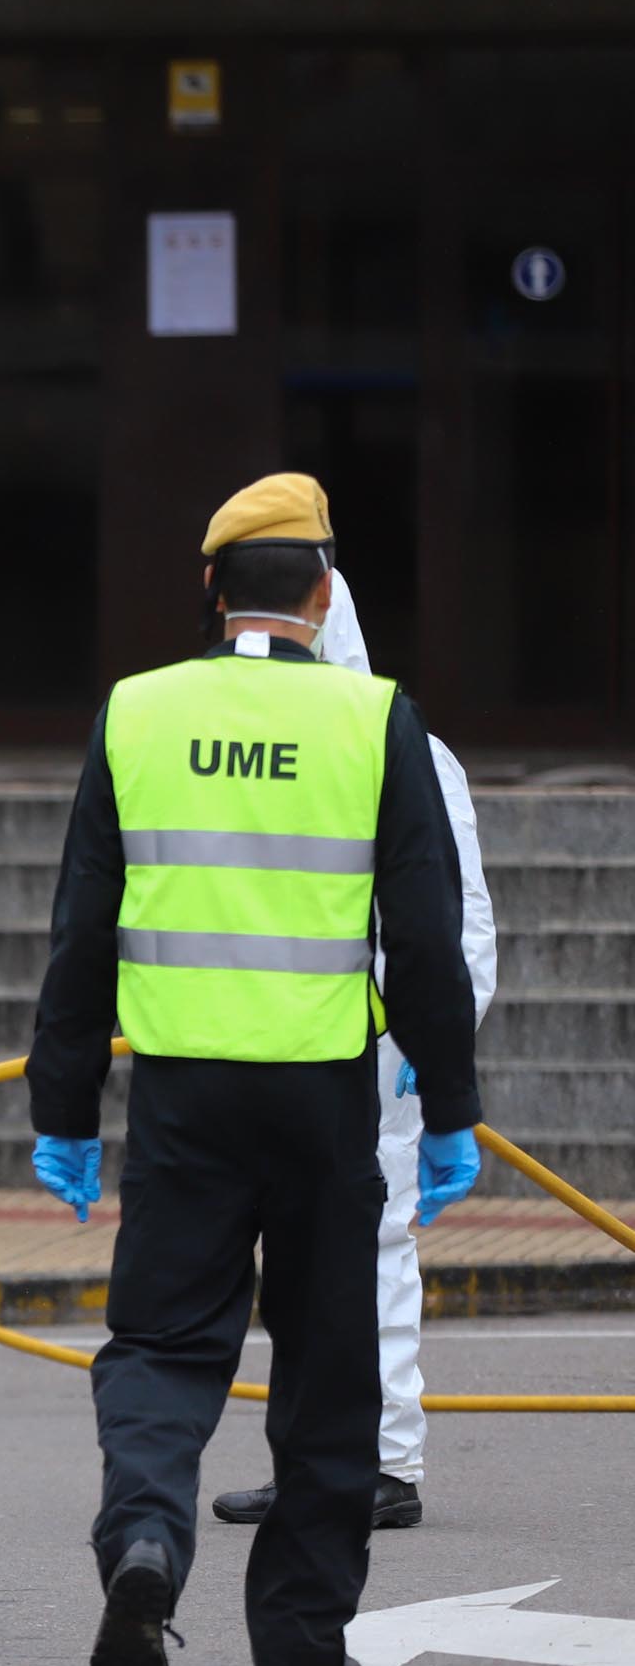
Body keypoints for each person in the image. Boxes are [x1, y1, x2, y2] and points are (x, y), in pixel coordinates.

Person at [27, 473, 483, 1666]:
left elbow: (80, 934)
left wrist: (62, 1109)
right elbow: (428, 943)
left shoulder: (137, 712)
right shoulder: (377, 717)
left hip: (181, 1099)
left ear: (211, 589)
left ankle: (147, 1542)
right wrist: (449, 1105)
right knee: (330, 1367)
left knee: (165, 1347)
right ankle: (298, 1645)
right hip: (326, 1098)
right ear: (325, 592)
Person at [212, 567, 495, 1532]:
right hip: (297, 1044)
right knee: (300, 1258)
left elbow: (461, 925)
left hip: (379, 1049)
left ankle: (385, 1463)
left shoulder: (402, 746)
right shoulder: (278, 744)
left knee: (374, 1249)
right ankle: (314, 1461)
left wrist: (438, 1042)